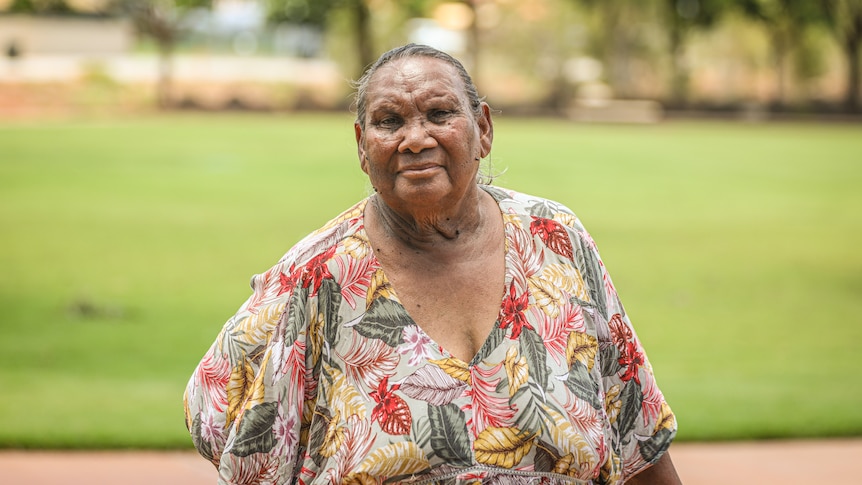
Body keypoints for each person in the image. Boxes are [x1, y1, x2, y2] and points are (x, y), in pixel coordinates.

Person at [184, 43, 681, 484]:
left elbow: (638, 439)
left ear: (483, 129)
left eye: (440, 114)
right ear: (362, 145)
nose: (416, 139)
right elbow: (222, 421)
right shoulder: (317, 276)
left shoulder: (556, 239)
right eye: (389, 121)